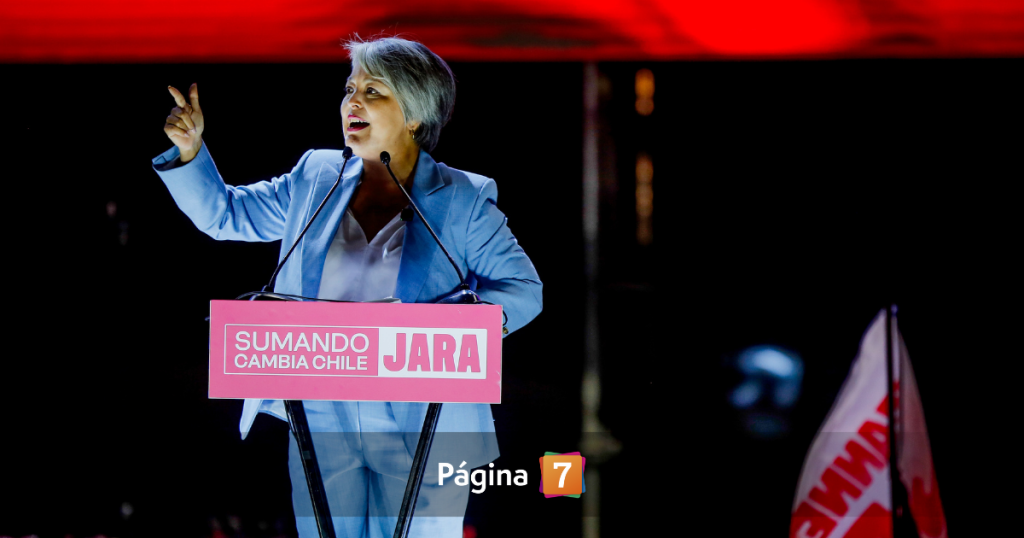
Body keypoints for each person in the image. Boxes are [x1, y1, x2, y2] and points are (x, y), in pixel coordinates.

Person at [151, 37, 543, 538]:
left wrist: (452, 332)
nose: (352, 102)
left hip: (424, 421)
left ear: (415, 114)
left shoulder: (462, 198)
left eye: (372, 91)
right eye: (349, 89)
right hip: (320, 412)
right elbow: (225, 214)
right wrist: (190, 151)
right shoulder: (316, 175)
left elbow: (522, 290)